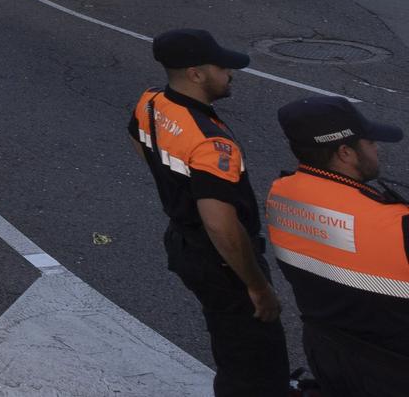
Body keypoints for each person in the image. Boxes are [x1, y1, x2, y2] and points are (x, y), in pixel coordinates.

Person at [129, 28, 288, 395]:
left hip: (183, 244)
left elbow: (138, 138)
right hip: (218, 261)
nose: (231, 74)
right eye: (222, 67)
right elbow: (220, 224)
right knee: (256, 365)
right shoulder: (211, 143)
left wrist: (172, 184)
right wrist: (258, 287)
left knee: (229, 341)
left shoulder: (151, 101)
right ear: (196, 74)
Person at [264, 95, 409, 395]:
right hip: (393, 370)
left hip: (327, 352)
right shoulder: (395, 223)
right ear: (345, 152)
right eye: (369, 142)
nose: (376, 148)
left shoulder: (280, 198)